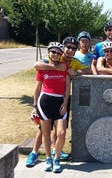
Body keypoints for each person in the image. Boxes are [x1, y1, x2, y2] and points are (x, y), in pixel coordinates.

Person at [26, 37, 90, 168]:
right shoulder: (57, 57)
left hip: (62, 97)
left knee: (60, 130)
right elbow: (37, 65)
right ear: (63, 47)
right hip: (47, 99)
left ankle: (56, 151)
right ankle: (34, 152)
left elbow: (89, 70)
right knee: (43, 129)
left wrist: (75, 72)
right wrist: (55, 67)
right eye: (68, 47)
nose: (70, 50)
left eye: (73, 48)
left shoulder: (73, 62)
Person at [32, 42, 70, 173]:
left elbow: (67, 88)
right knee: (46, 133)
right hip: (45, 101)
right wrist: (35, 105)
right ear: (48, 52)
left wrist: (65, 103)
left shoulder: (64, 67)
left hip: (59, 101)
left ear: (61, 55)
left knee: (61, 133)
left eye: (58, 53)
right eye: (53, 52)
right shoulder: (43, 68)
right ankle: (48, 158)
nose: (55, 54)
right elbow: (37, 89)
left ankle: (57, 158)